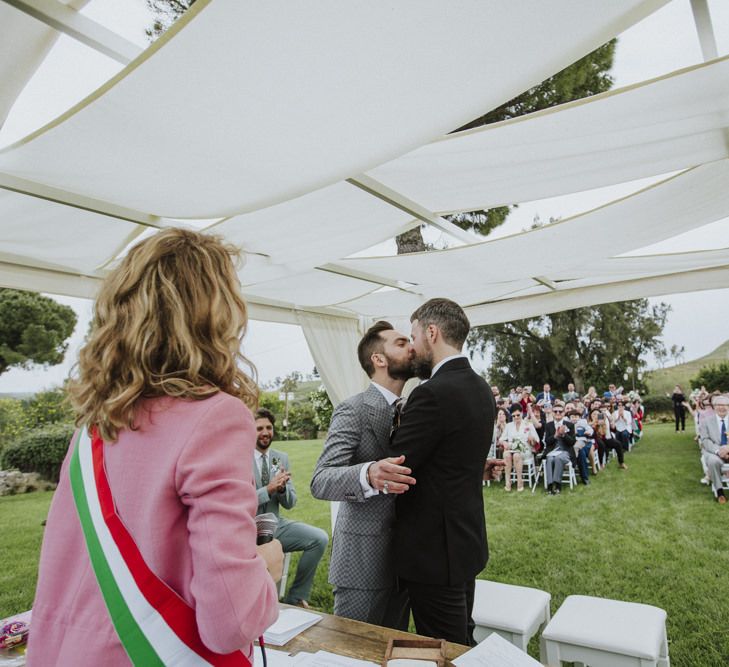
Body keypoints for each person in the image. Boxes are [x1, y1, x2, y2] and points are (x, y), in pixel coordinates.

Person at [27, 229, 281, 666]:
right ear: (217, 315)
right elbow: (230, 623)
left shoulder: (94, 424)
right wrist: (266, 568)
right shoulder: (215, 416)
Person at [388, 298, 495, 646]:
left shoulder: (431, 393)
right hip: (466, 542)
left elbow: (398, 461)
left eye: (414, 336)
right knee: (462, 637)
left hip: (434, 554)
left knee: (443, 648)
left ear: (432, 332)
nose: (412, 347)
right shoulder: (481, 388)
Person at [310, 321, 414, 628]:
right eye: (401, 342)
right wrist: (368, 474)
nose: (412, 347)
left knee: (393, 652)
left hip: (406, 561)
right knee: (351, 652)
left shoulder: (414, 410)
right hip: (362, 561)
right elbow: (321, 479)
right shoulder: (352, 410)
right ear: (378, 359)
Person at [255, 408, 328, 608]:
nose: (265, 432)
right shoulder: (238, 459)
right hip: (247, 530)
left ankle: (296, 598)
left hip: (276, 526)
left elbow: (290, 503)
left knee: (319, 538)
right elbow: (237, 502)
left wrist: (281, 488)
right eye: (259, 428)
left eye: (269, 427)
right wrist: (267, 490)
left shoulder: (280, 458)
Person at [698, 395, 729, 504]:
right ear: (714, 407)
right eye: (719, 405)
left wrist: (727, 449)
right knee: (712, 461)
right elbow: (705, 440)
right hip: (714, 452)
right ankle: (720, 491)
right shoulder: (706, 422)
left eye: (725, 405)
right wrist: (718, 451)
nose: (722, 407)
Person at [500, 405, 539, 491]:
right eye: (513, 416)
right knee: (506, 454)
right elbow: (501, 439)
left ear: (522, 413)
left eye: (518, 415)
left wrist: (531, 439)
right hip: (511, 449)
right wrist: (504, 442)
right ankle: (508, 481)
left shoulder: (528, 424)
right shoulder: (509, 426)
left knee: (516, 455)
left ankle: (519, 481)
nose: (516, 417)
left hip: (525, 450)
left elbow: (536, 441)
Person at [543, 404, 576, 494]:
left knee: (558, 458)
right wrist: (555, 436)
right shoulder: (548, 425)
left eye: (560, 411)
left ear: (564, 413)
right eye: (555, 411)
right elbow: (547, 442)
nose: (558, 413)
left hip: (565, 451)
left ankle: (557, 484)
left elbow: (572, 442)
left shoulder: (570, 425)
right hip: (552, 451)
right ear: (553, 413)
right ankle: (550, 485)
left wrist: (564, 435)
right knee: (549, 459)